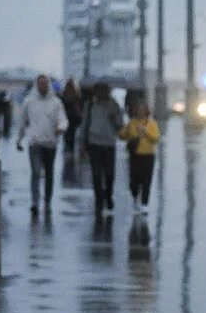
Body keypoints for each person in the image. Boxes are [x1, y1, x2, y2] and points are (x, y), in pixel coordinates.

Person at [16, 74, 69, 214]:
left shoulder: (56, 102)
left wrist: (61, 128)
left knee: (49, 172)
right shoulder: (29, 102)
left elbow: (63, 119)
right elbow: (22, 122)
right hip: (35, 142)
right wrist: (19, 139)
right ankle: (35, 201)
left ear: (49, 85)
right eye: (40, 83)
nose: (43, 86)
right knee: (35, 172)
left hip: (51, 143)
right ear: (36, 85)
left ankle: (47, 200)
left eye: (45, 83)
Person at [80, 82, 124, 217]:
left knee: (109, 173)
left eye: (103, 91)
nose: (101, 94)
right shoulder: (90, 105)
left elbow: (120, 125)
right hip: (94, 143)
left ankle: (108, 196)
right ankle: (99, 199)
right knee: (96, 173)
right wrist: (83, 143)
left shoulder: (114, 105)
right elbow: (85, 124)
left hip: (109, 143)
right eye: (98, 91)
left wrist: (113, 118)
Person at [118, 101, 161, 214]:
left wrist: (145, 132)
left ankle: (144, 202)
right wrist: (123, 131)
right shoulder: (132, 123)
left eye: (143, 110)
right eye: (138, 109)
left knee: (146, 179)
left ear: (146, 111)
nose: (140, 112)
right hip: (134, 155)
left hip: (148, 155)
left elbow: (156, 138)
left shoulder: (151, 123)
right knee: (134, 179)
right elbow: (122, 135)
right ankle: (135, 197)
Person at [60, 78, 83, 153]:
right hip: (74, 119)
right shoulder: (76, 96)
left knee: (68, 137)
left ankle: (68, 150)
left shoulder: (64, 96)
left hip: (68, 119)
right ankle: (70, 150)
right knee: (72, 136)